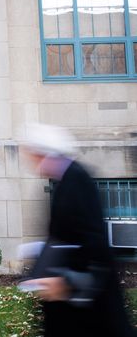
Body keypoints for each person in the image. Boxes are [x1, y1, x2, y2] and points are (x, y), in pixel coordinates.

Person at [21, 123, 135, 337]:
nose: (29, 161)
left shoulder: (76, 180)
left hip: (89, 302)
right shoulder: (65, 179)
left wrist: (67, 282)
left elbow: (94, 241)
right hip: (74, 301)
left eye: (31, 154)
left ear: (41, 153)